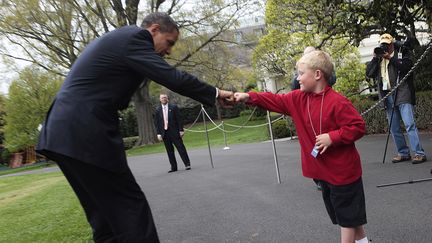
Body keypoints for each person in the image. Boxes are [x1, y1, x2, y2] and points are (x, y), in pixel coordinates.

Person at [36, 12, 234, 243]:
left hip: (62, 133)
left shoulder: (121, 40)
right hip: (86, 131)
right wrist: (215, 93)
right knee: (131, 209)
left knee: (105, 220)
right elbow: (172, 77)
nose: (169, 51)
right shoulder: (136, 38)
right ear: (154, 30)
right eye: (169, 42)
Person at [234, 50, 369, 243]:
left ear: (317, 74)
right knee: (349, 216)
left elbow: (358, 127)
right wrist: (249, 96)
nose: (297, 79)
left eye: (300, 73)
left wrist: (333, 137)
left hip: (344, 173)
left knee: (346, 222)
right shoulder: (297, 98)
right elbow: (274, 100)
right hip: (325, 174)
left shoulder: (338, 102)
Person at [366, 33, 427, 164]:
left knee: (409, 124)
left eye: (387, 45)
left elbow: (406, 67)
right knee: (394, 127)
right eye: (383, 45)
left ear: (392, 44)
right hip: (387, 95)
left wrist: (390, 58)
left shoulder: (402, 53)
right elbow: (369, 73)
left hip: (403, 92)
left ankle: (419, 153)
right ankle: (403, 153)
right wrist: (374, 58)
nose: (385, 48)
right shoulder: (379, 58)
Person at [155, 93, 191, 172]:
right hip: (165, 133)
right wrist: (158, 134)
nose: (164, 99)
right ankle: (173, 167)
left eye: (165, 97)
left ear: (167, 99)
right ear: (160, 99)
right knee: (169, 151)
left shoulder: (173, 107)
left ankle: (187, 164)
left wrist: (181, 130)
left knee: (181, 148)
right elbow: (157, 123)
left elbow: (179, 119)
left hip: (174, 132)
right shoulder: (158, 110)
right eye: (162, 98)